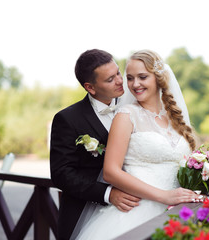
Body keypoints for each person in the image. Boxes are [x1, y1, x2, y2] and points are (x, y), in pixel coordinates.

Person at [75, 50, 203, 240]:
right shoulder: (126, 115)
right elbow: (111, 171)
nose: (135, 84)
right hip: (138, 211)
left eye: (142, 77)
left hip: (177, 211)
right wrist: (164, 196)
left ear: (158, 78)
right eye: (130, 78)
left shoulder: (175, 117)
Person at [50, 49, 141, 240]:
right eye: (110, 79)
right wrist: (108, 194)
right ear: (90, 87)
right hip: (86, 215)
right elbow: (62, 174)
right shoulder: (68, 119)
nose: (119, 80)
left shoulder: (138, 107)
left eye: (118, 72)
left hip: (137, 209)